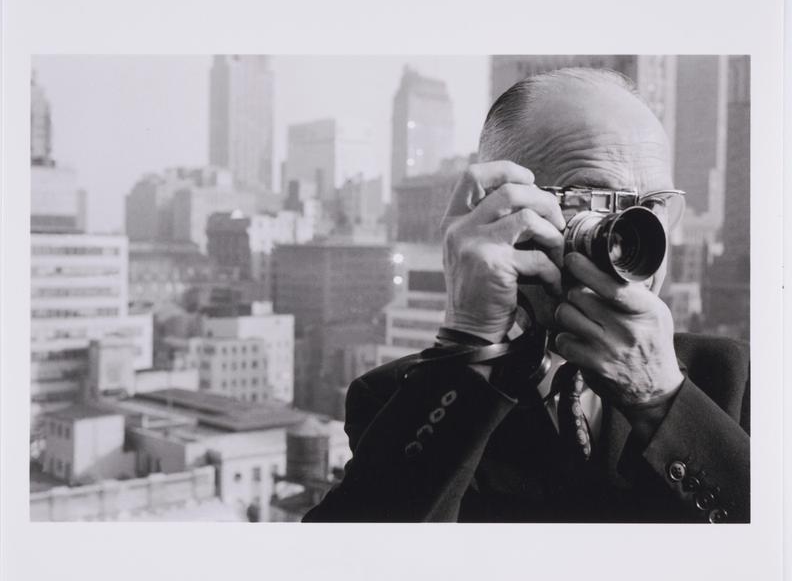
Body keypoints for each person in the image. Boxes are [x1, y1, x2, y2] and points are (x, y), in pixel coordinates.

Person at [303, 68, 750, 523]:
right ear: (504, 210)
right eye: (588, 201)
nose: (633, 237)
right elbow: (349, 565)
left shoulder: (735, 379)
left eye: (651, 206)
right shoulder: (407, 401)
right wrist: (469, 342)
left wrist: (662, 401)